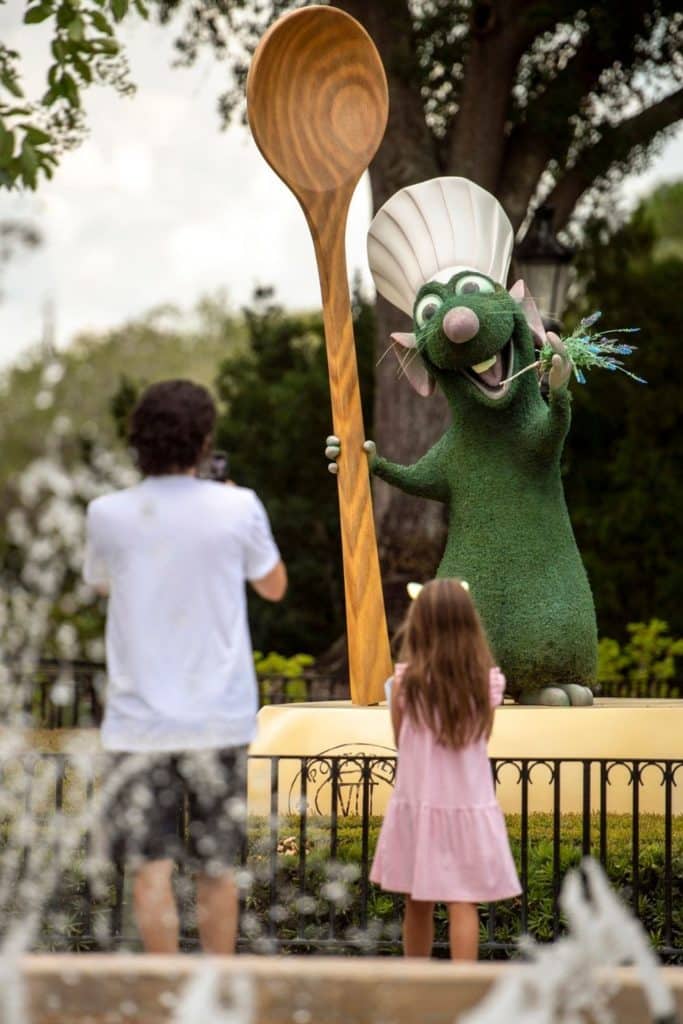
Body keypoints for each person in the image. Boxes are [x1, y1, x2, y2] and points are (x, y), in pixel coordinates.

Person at [83, 379, 286, 954]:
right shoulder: (238, 507)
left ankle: (164, 999)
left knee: (150, 866)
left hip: (138, 721)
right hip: (219, 719)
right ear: (203, 440)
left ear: (139, 440)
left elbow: (99, 583)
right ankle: (214, 997)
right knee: (218, 867)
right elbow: (274, 586)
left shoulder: (107, 514)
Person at [370, 578, 520, 960]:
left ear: (420, 622)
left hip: (419, 802)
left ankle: (416, 991)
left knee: (417, 901)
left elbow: (400, 739)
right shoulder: (487, 682)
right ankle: (460, 992)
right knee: (463, 901)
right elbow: (482, 734)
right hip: (467, 805)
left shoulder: (405, 683)